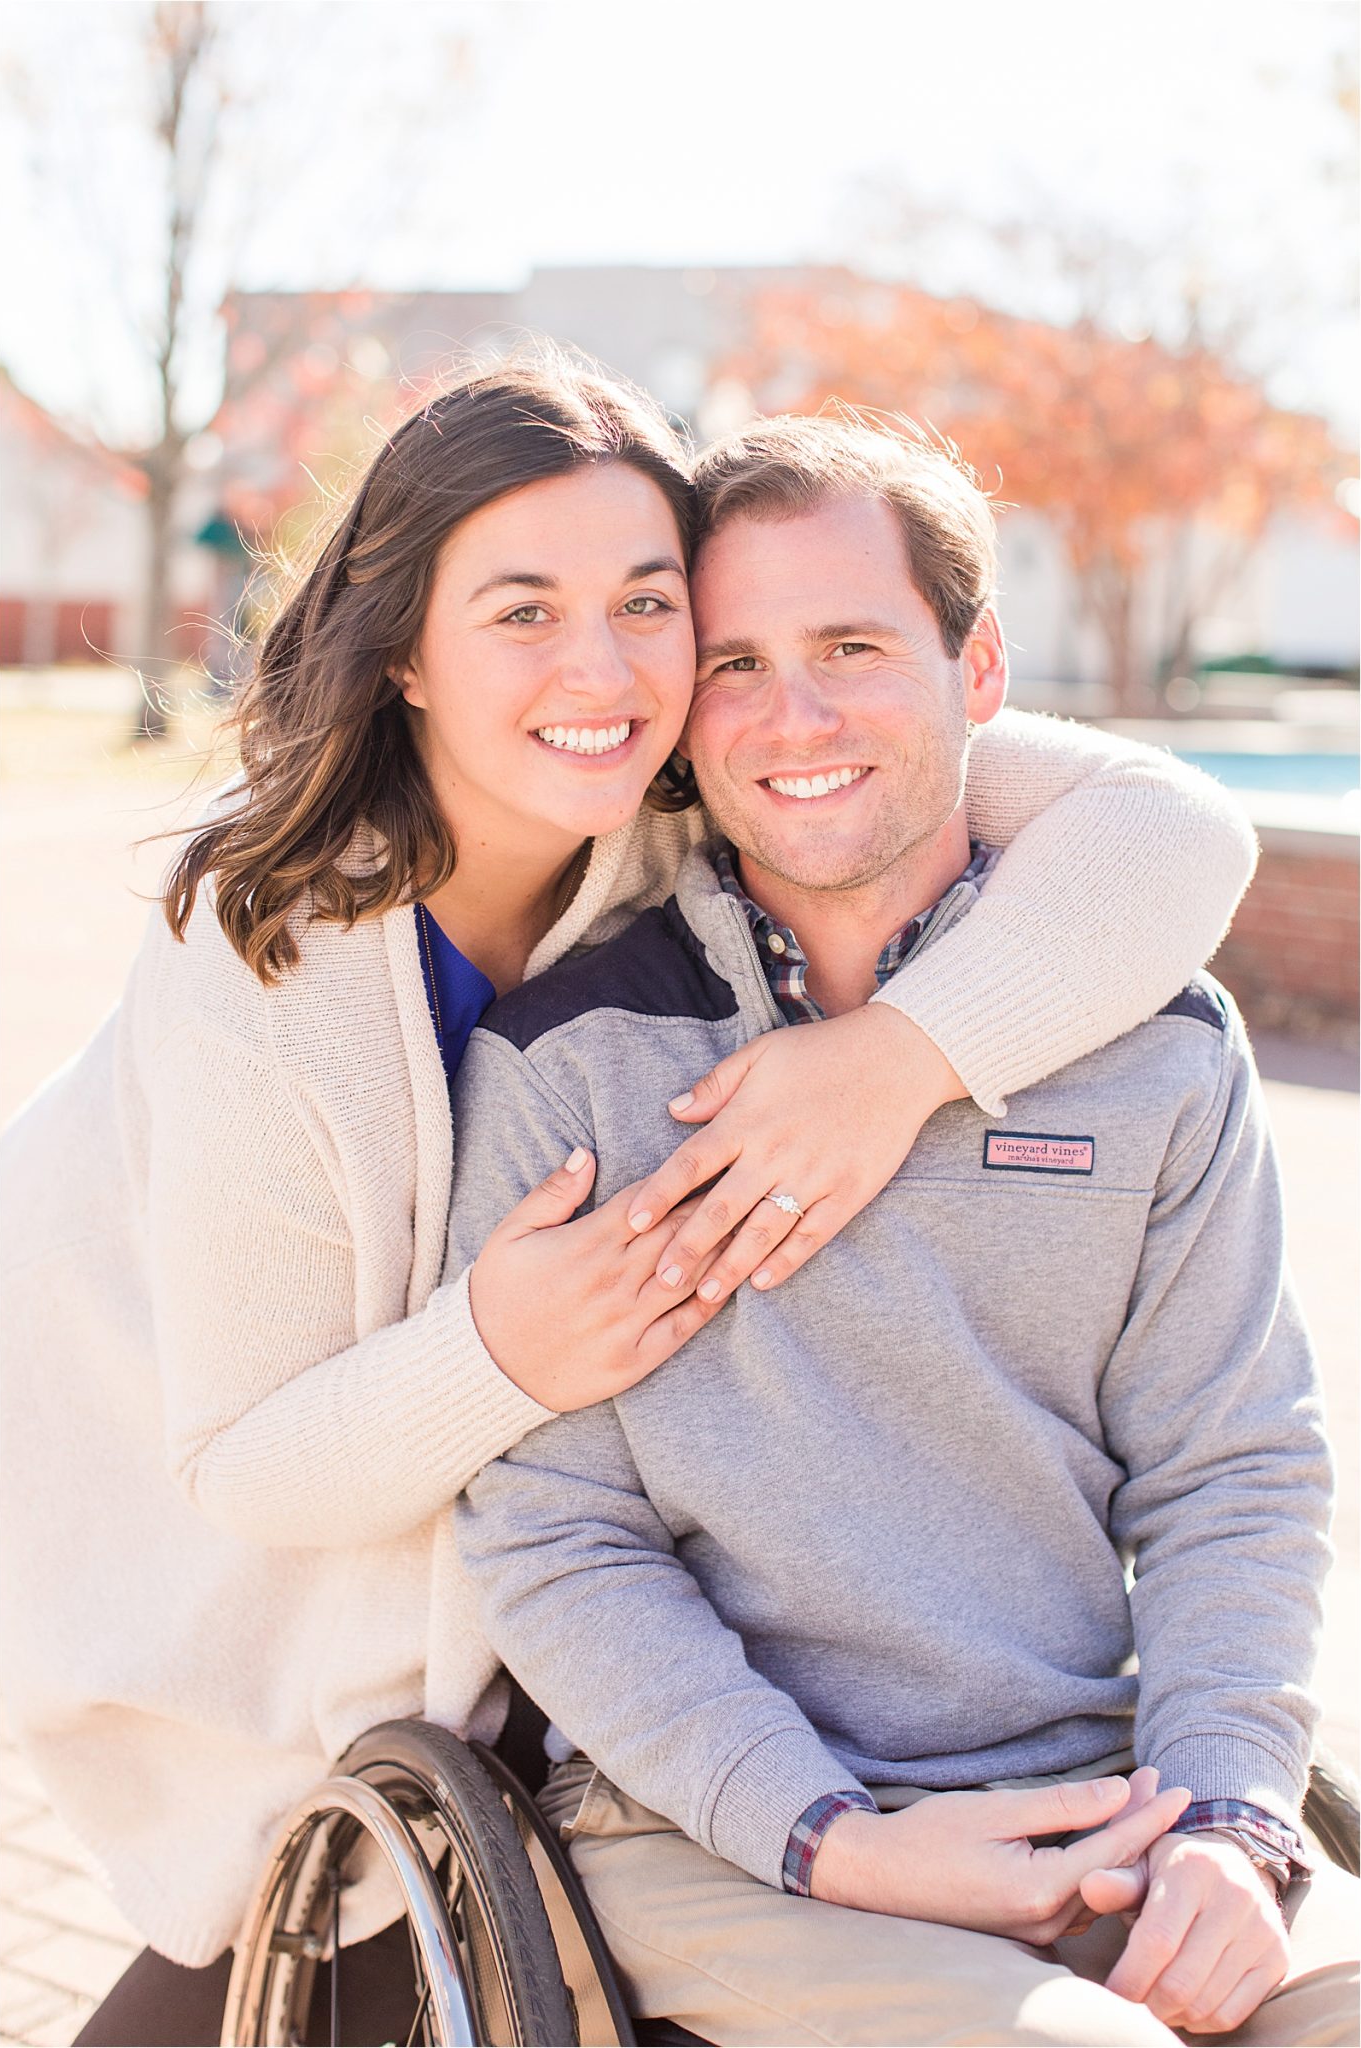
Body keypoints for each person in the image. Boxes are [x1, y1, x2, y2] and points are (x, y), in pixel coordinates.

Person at [0, 355, 1260, 2045]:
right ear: (405, 656)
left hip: (538, 1595)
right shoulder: (267, 963)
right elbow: (254, 1462)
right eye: (522, 611)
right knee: (297, 1935)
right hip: (221, 1537)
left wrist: (894, 1057)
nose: (603, 671)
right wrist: (507, 1348)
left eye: (648, 606)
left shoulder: (686, 792)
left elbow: (1170, 838)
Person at [453, 413, 1358, 2046]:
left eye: (852, 646)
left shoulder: (1157, 1045)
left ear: (980, 666)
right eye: (730, 664)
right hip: (716, 1840)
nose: (790, 716)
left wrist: (1229, 1817)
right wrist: (831, 1836)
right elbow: (556, 1534)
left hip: (1109, 1806)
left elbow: (1235, 1468)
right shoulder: (569, 1060)